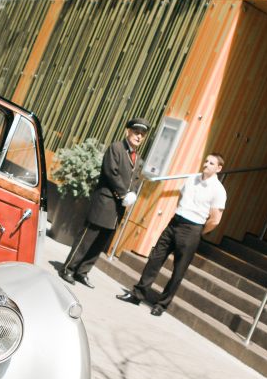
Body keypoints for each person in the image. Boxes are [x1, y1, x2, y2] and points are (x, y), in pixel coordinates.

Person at [117, 153, 226, 316]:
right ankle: (138, 294)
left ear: (218, 168)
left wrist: (199, 231)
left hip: (192, 229)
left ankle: (161, 305)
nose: (206, 164)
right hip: (174, 223)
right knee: (155, 258)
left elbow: (215, 219)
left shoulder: (218, 190)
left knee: (178, 271)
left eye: (211, 163)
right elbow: (181, 197)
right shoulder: (192, 179)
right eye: (206, 161)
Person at [58, 117, 149, 287]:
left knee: (101, 242)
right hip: (105, 202)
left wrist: (134, 194)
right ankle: (68, 269)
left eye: (142, 134)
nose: (139, 136)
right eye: (136, 132)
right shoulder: (116, 148)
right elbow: (110, 172)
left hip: (117, 209)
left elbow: (135, 180)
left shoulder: (137, 158)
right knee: (87, 238)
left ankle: (82, 272)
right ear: (127, 131)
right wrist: (124, 194)